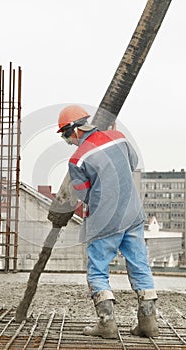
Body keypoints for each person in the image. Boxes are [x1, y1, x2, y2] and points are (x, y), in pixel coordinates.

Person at [48, 105, 159, 339]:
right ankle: (148, 323)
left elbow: (83, 194)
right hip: (132, 214)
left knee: (98, 271)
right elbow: (131, 164)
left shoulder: (77, 160)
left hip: (105, 220)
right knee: (140, 265)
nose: (69, 142)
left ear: (74, 130)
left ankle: (107, 324)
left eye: (67, 136)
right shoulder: (119, 138)